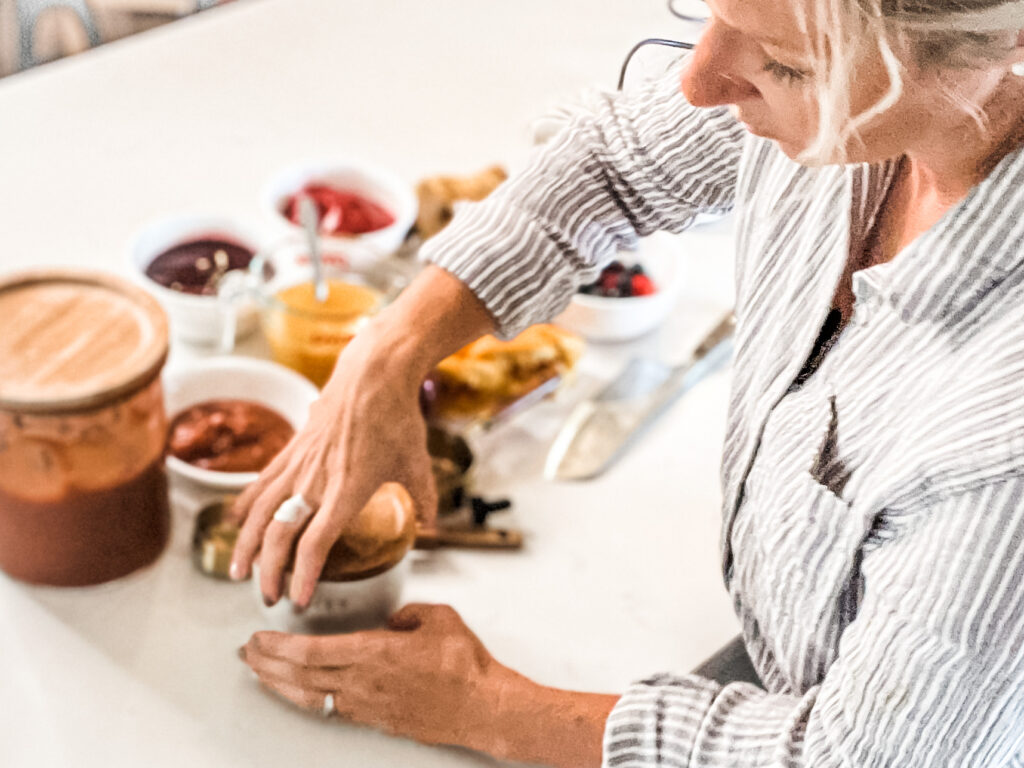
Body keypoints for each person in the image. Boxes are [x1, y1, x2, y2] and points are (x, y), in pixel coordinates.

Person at [230, 0, 1024, 764]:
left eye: (784, 64)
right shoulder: (866, 92)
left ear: (998, 49)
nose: (700, 82)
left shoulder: (1002, 433)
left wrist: (482, 705)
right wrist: (386, 356)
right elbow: (611, 164)